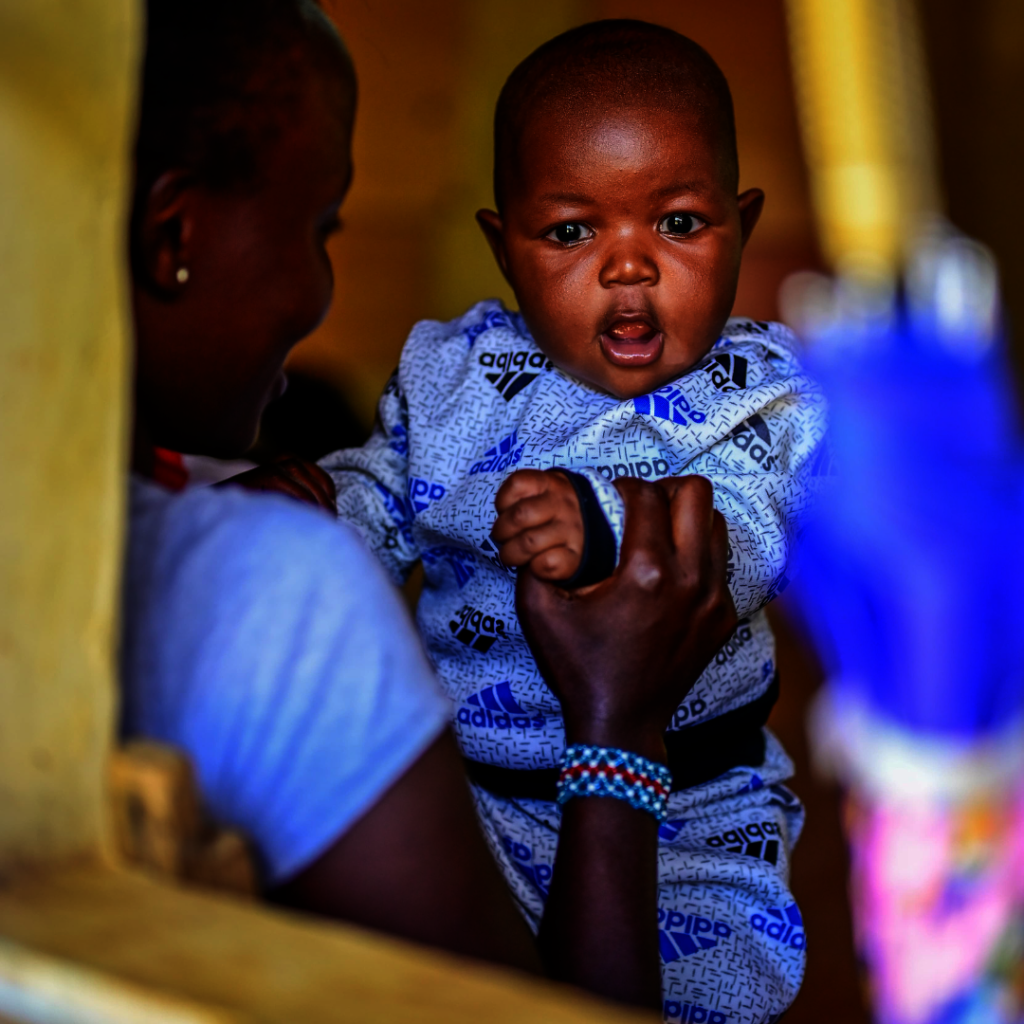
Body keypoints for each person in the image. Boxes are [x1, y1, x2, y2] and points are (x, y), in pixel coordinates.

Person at [120, 0, 738, 1012]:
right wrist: (618, 720)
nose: (321, 294)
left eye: (676, 222)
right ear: (174, 236)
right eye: (317, 228)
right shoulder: (265, 583)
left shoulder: (755, 397)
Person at [317, 20, 827, 1023]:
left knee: (708, 986)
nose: (628, 268)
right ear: (503, 248)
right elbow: (384, 490)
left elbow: (743, 537)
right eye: (570, 232)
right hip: (466, 796)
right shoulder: (454, 373)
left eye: (677, 225)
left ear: (740, 223)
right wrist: (309, 512)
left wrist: (605, 527)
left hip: (693, 820)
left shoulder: (762, 396)